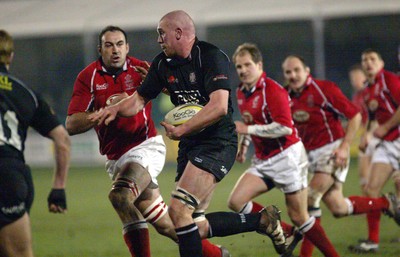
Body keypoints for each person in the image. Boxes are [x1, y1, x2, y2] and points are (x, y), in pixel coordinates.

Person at [88, 11, 289, 257]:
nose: (158, 39)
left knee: (178, 211)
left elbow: (218, 106)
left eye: (162, 33)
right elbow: (139, 99)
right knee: (196, 226)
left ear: (179, 33)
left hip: (217, 141)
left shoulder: (211, 57)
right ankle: (262, 221)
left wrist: (182, 129)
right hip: (191, 145)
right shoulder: (162, 63)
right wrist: (114, 109)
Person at [66, 25, 232, 257]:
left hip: (145, 147)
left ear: (127, 47)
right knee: (165, 223)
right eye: (109, 45)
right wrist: (104, 111)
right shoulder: (88, 77)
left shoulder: (142, 68)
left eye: (120, 44)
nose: (115, 50)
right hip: (116, 158)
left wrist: (163, 87)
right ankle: (217, 255)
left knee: (121, 195)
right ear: (100, 49)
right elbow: (72, 124)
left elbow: (176, 90)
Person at [228, 43, 340, 257]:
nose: (242, 70)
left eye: (247, 65)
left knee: (299, 216)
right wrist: (243, 146)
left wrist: (247, 129)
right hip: (263, 160)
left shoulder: (273, 89)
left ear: (259, 65)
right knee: (236, 201)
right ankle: (287, 232)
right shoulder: (242, 92)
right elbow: (248, 121)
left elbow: (285, 127)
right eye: (238, 66)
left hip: (288, 157)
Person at [282, 55, 398, 256]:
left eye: (297, 70)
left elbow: (354, 115)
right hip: (311, 156)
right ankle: (386, 203)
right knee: (338, 207)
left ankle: (306, 254)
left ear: (307, 71)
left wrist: (345, 147)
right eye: (288, 72)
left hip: (333, 150)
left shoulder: (324, 89)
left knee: (309, 198)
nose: (293, 75)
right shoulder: (285, 95)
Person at [0, 29, 71, 257]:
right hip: (8, 175)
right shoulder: (24, 92)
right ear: (10, 56)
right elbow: (62, 140)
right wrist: (58, 187)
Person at [346, 49, 400, 253]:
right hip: (387, 144)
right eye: (365, 59)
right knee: (370, 189)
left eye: (372, 59)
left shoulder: (390, 80)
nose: (368, 63)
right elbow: (374, 118)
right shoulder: (368, 90)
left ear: (381, 62)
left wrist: (385, 128)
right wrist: (367, 137)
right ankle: (373, 240)